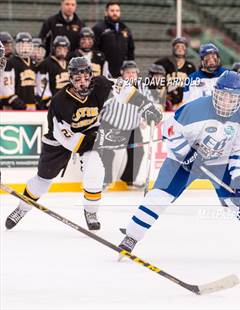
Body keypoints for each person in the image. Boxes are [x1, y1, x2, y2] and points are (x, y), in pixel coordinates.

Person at [118, 71, 240, 263]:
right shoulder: (194, 109)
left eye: (232, 97)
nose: (226, 102)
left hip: (220, 162)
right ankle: (131, 237)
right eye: (223, 96)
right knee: (159, 196)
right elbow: (169, 131)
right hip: (183, 161)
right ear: (215, 93)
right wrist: (186, 154)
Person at [5, 57, 162, 231]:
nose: (82, 83)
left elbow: (125, 89)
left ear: (91, 76)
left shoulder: (101, 84)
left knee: (95, 171)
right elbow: (68, 139)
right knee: (43, 180)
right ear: (70, 79)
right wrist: (100, 139)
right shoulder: (60, 101)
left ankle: (91, 212)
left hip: (90, 133)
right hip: (59, 141)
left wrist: (146, 106)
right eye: (77, 79)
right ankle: (22, 208)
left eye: (86, 78)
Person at [102, 60, 145, 189]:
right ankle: (105, 180)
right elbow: (104, 102)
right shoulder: (115, 85)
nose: (131, 75)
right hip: (112, 123)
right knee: (107, 151)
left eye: (134, 72)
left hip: (132, 126)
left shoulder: (142, 87)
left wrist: (145, 117)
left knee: (138, 151)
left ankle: (130, 179)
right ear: (122, 73)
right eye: (128, 73)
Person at [92, 1, 135, 77]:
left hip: (122, 72)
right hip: (104, 71)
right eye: (112, 11)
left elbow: (130, 50)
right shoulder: (98, 28)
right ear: (106, 12)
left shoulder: (125, 29)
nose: (115, 13)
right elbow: (94, 49)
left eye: (117, 11)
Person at [154, 37, 196, 109]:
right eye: (177, 46)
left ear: (186, 49)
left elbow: (193, 87)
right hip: (164, 102)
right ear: (173, 48)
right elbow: (154, 81)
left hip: (183, 103)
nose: (180, 48)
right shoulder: (162, 63)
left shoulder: (190, 67)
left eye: (183, 46)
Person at [1, 32, 36, 110]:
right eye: (22, 45)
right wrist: (21, 106)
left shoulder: (33, 63)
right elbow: (6, 91)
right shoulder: (10, 62)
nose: (25, 49)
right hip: (15, 108)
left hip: (31, 107)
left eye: (27, 45)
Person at [35, 36, 71, 109]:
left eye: (64, 48)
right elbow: (41, 86)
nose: (62, 51)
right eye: (59, 48)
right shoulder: (45, 64)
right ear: (54, 49)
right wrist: (48, 101)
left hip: (66, 102)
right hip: (51, 104)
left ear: (68, 50)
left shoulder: (69, 64)